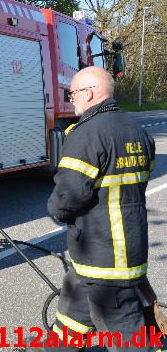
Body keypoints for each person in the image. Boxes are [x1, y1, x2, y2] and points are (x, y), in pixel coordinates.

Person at [46, 66, 160, 352]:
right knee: (72, 311)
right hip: (122, 248)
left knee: (126, 333)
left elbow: (67, 197)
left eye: (73, 93)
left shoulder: (87, 134)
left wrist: (56, 211)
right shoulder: (138, 132)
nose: (71, 99)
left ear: (90, 92)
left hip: (104, 258)